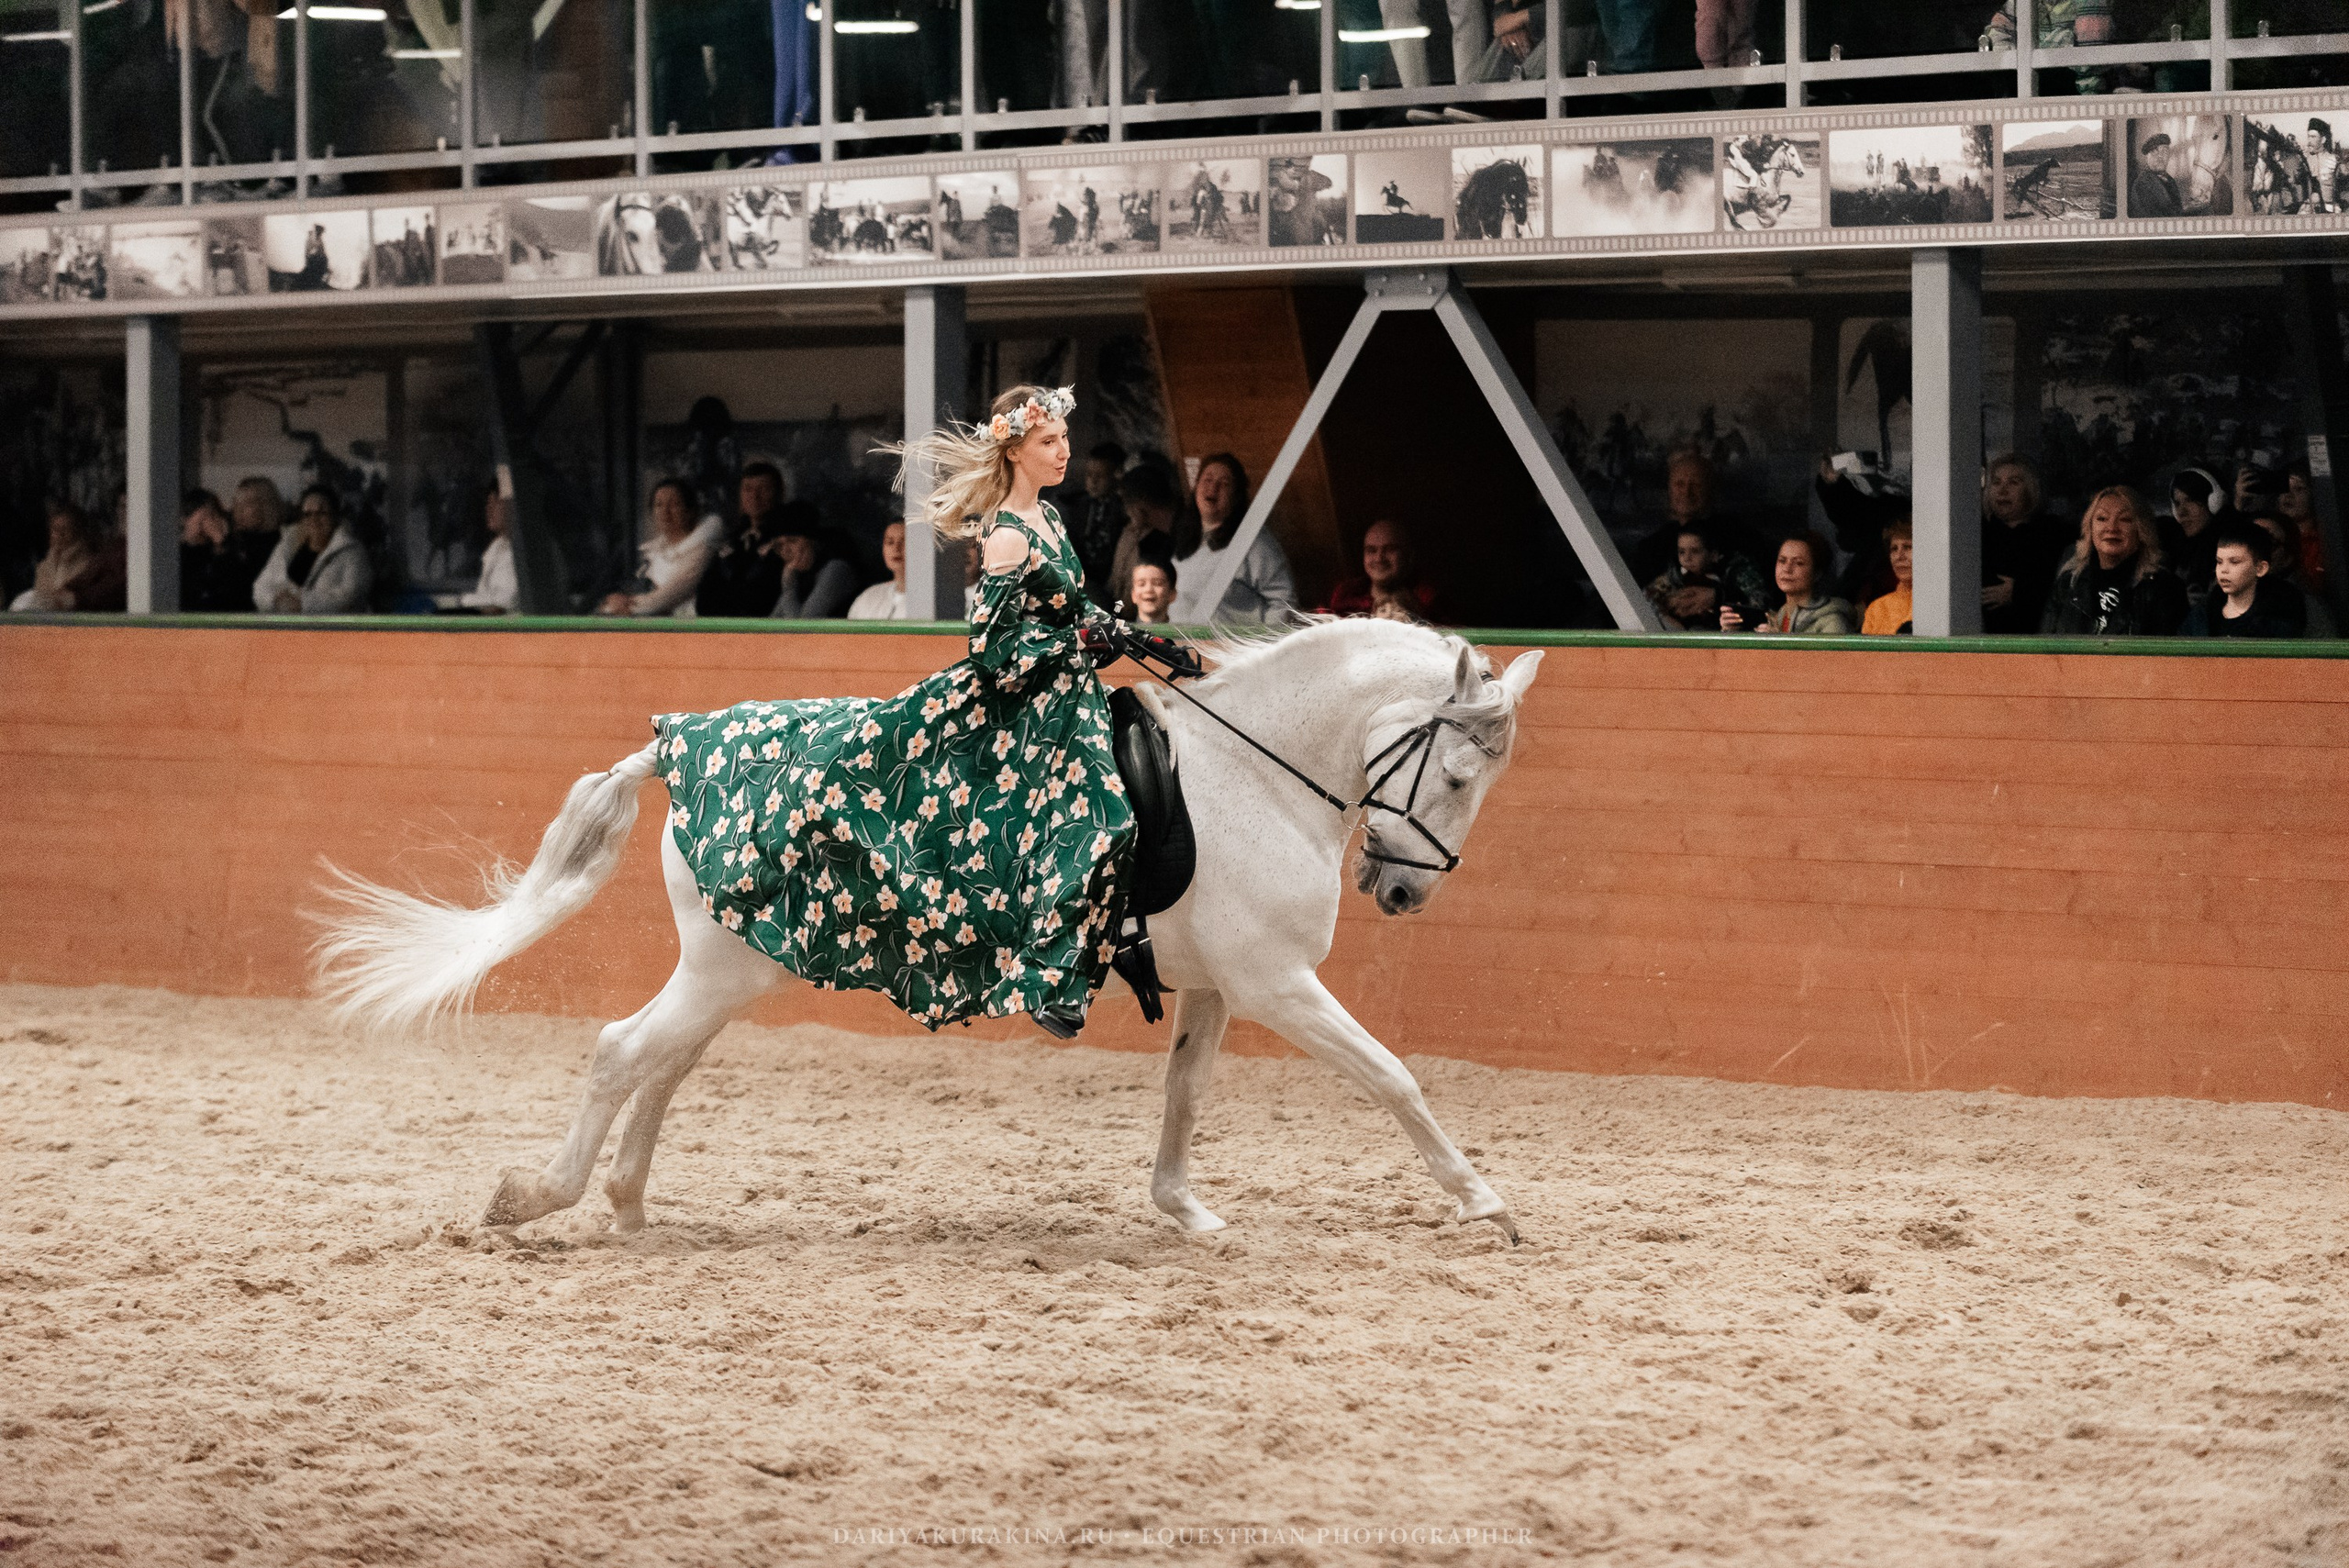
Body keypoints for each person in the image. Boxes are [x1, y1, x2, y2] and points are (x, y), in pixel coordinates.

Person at [654, 384, 1167, 1043]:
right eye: (1049, 441)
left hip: (1072, 703)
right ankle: (1051, 977)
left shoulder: (1054, 521)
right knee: (1106, 821)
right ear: (1015, 452)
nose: (1064, 450)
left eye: (1065, 438)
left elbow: (1069, 610)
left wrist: (1127, 632)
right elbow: (991, 649)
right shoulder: (1007, 538)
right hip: (1030, 716)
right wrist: (1074, 642)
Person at [1170, 452, 1297, 627]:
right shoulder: (1180, 537)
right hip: (1181, 647)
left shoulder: (1255, 543)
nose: (1213, 488)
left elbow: (1282, 601)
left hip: (1234, 650)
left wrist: (1265, 647)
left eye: (1224, 484)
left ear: (1236, 496)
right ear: (1196, 486)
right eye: (1207, 480)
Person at [2041, 486, 2187, 636]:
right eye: (2102, 519)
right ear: (2089, 528)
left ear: (2142, 530)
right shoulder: (2067, 585)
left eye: (2125, 519)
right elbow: (2046, 650)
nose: (2111, 528)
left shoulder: (2163, 588)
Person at [599, 477, 721, 617]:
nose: (665, 511)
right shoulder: (651, 552)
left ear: (690, 511)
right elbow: (634, 587)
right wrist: (613, 600)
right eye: (659, 505)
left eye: (674, 504)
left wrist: (623, 607)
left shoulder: (702, 551)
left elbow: (668, 596)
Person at [1980, 453, 2071, 634]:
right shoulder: (1976, 535)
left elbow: (2067, 587)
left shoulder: (2054, 534)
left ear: (2030, 489)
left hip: (2037, 641)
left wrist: (2020, 592)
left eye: (2013, 482)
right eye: (1996, 482)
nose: (2002, 491)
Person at [252, 485, 373, 614]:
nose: (313, 519)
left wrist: (303, 604)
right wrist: (275, 601)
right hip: (288, 630)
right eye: (307, 514)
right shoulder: (287, 545)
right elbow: (261, 587)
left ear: (335, 516)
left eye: (321, 513)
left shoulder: (353, 552)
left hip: (335, 631)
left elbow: (350, 597)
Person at [694, 461, 792, 619]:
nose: (755, 496)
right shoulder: (731, 540)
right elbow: (704, 598)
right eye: (748, 489)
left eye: (764, 489)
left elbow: (765, 597)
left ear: (779, 493)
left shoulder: (787, 539)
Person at [1643, 521, 1769, 631]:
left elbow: (1760, 606)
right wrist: (1666, 615)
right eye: (1681, 552)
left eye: (1695, 551)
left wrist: (1720, 597)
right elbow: (1646, 597)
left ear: (1713, 555)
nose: (1687, 558)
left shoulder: (1736, 571)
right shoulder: (1674, 577)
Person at [2179, 522, 2295, 639]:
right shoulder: (2200, 615)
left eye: (2234, 562)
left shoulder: (2277, 619)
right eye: (2219, 562)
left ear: (2260, 569)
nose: (2223, 570)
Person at [1720, 533, 1854, 635]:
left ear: (1817, 573)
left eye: (1799, 563)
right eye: (1782, 561)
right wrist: (1732, 632)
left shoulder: (1833, 621)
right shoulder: (1776, 618)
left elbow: (1833, 669)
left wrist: (1779, 646)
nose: (1787, 569)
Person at [1323, 518, 1445, 623]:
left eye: (1390, 549)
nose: (1379, 558)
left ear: (1409, 556)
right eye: (1371, 550)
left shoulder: (1428, 600)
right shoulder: (1345, 594)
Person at [8, 502, 123, 613]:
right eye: (55, 529)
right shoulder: (43, 567)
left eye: (65, 529)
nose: (59, 535)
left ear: (77, 531)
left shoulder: (91, 566)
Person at [1981, 0, 2113, 95]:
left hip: (2082, 92)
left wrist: (2029, 51)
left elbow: (2088, 63)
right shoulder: (2021, 3)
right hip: (2035, 85)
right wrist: (2011, 56)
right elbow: (1997, 32)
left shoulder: (2091, 3)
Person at [178, 488, 275, 613]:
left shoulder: (231, 547)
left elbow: (240, 590)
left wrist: (220, 542)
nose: (207, 524)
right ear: (184, 519)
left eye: (211, 516)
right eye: (201, 519)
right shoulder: (176, 553)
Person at [1107, 460, 1182, 613]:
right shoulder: (1137, 534)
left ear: (1139, 507)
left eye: (1127, 505)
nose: (1126, 512)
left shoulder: (1155, 543)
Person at [1061, 440, 1127, 601]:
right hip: (1082, 575)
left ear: (1116, 476)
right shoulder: (1078, 506)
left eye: (1100, 476)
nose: (1093, 481)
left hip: (1108, 578)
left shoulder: (1123, 509)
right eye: (1090, 475)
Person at [767, 506, 859, 619]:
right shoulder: (798, 575)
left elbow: (803, 628)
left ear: (811, 541)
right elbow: (772, 624)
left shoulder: (836, 569)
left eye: (792, 541)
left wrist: (789, 586)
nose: (786, 550)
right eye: (779, 546)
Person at [2159, 466, 2226, 607]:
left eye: (2190, 500)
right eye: (2177, 503)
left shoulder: (2228, 548)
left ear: (2214, 501)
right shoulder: (2176, 545)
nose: (2181, 512)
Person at [457, 492, 519, 614]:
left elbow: (502, 604)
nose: (488, 508)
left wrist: (463, 601)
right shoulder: (497, 546)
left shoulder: (520, 551)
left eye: (496, 502)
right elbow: (483, 593)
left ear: (513, 505)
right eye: (488, 503)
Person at [1860, 519, 1915, 635]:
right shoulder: (1877, 608)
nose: (1899, 556)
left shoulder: (1940, 603)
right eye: (1894, 549)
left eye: (1908, 547)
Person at [2132, 134, 2184, 217]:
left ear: (2169, 156)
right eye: (2154, 152)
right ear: (2147, 157)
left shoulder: (2170, 181)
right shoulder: (2141, 184)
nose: (2160, 156)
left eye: (2164, 151)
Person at [1129, 554, 1176, 625]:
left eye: (1157, 583)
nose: (1148, 589)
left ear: (1172, 594)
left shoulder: (1183, 635)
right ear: (1133, 595)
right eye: (1141, 584)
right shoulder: (1119, 634)